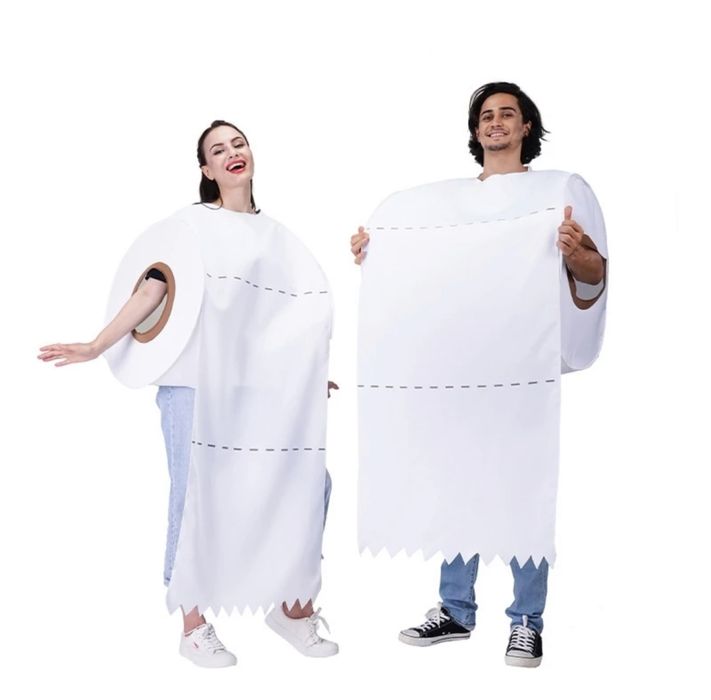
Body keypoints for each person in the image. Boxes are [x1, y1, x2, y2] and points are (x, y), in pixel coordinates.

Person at [39, 120, 339, 668]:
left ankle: (293, 609)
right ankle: (193, 625)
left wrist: (307, 374)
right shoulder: (190, 227)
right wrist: (98, 344)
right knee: (195, 492)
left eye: (238, 144)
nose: (232, 153)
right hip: (193, 381)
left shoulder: (278, 238)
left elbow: (279, 319)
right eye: (218, 150)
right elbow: (155, 286)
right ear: (206, 169)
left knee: (308, 481)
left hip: (258, 387)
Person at [350, 82, 607, 667]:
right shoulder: (444, 211)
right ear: (475, 131)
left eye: (507, 114)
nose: (495, 122)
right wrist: (379, 253)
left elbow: (594, 275)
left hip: (520, 372)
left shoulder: (553, 197)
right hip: (457, 369)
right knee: (458, 483)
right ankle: (456, 610)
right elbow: (425, 278)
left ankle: (526, 621)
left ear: (525, 127)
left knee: (520, 488)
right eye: (486, 115)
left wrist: (576, 253)